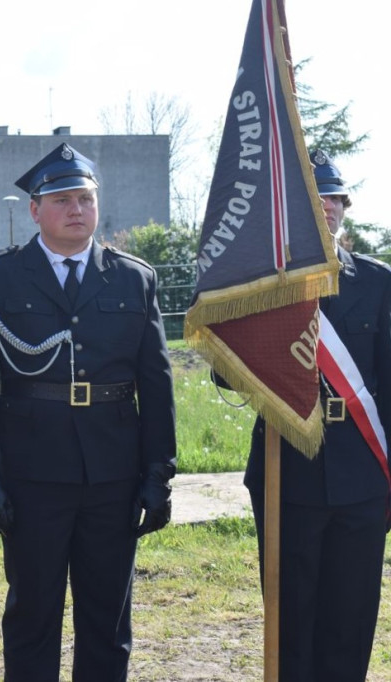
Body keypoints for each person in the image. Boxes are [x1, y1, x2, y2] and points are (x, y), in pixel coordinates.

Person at [0, 142, 176, 681]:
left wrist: (158, 476)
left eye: (86, 198)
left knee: (107, 620)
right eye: (61, 200)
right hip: (32, 475)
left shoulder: (133, 278)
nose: (77, 209)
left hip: (113, 473)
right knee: (32, 615)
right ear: (35, 210)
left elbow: (157, 383)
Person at [241, 150, 391, 681]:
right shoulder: (261, 281)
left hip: (363, 471)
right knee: (291, 616)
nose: (325, 206)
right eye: (312, 196)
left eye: (333, 196)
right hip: (290, 470)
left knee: (350, 618)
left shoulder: (377, 282)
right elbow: (223, 371)